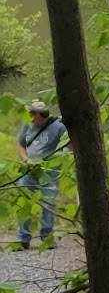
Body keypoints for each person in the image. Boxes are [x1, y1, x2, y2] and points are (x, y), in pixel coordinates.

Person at [13, 98, 67, 250]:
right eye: (31, 114)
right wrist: (26, 161)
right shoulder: (27, 124)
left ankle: (47, 238)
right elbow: (20, 144)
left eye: (35, 115)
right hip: (28, 171)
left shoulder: (57, 126)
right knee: (23, 203)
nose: (32, 118)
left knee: (48, 204)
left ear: (42, 114)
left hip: (49, 172)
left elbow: (70, 145)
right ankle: (23, 238)